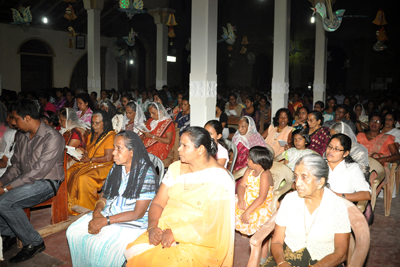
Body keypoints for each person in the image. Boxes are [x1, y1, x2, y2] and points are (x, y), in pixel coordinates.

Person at [125, 127, 235, 267]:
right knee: (137, 254)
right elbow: (158, 202)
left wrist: (176, 233)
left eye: (184, 146)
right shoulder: (175, 168)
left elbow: (214, 225)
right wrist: (152, 226)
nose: (178, 149)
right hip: (164, 227)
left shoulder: (220, 179)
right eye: (180, 144)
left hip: (198, 239)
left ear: (200, 149)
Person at [66, 131, 159, 267]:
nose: (114, 153)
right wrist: (97, 212)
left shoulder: (146, 173)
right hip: (108, 214)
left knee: (101, 247)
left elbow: (137, 213)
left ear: (132, 151)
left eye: (118, 148)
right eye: (114, 147)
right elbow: (105, 195)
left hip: (130, 223)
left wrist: (105, 221)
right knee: (73, 232)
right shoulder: (117, 167)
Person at [0, 100, 65, 263]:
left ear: (27, 118)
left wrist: (7, 189)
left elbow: (38, 172)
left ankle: (34, 243)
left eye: (16, 119)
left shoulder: (53, 137)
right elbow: (14, 165)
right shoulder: (21, 136)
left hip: (46, 181)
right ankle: (8, 233)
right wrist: (1, 183)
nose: (13, 123)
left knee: (5, 202)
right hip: (26, 178)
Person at [263, 154, 351, 267]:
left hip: (324, 262)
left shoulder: (337, 205)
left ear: (320, 182)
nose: (297, 182)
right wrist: (281, 263)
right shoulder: (289, 200)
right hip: (288, 257)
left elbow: (341, 253)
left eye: (304, 177)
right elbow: (277, 242)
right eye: (296, 176)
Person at [67, 110, 116, 213]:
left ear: (105, 123)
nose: (94, 126)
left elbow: (108, 158)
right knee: (69, 172)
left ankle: (88, 207)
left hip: (105, 165)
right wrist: (82, 154)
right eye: (92, 123)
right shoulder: (92, 135)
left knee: (84, 178)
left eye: (97, 123)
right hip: (91, 163)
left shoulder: (110, 136)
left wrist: (89, 159)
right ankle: (72, 204)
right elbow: (89, 152)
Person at [357, 112, 400, 194]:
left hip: (379, 166)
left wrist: (379, 160)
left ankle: (366, 200)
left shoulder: (387, 138)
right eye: (372, 120)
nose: (374, 123)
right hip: (361, 164)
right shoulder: (360, 136)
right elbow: (354, 152)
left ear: (381, 125)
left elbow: (397, 156)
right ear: (369, 123)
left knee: (370, 177)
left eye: (377, 121)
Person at [236, 146, 274, 237]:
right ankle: (243, 229)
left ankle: (255, 235)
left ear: (258, 163)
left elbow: (262, 197)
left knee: (255, 214)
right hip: (248, 196)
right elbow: (241, 185)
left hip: (261, 201)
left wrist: (248, 211)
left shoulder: (264, 174)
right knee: (232, 205)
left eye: (250, 159)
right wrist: (241, 199)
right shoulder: (249, 170)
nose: (247, 160)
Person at [326, 134, 371, 202]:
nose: (331, 150)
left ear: (345, 153)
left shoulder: (352, 168)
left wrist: (338, 195)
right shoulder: (319, 164)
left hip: (341, 207)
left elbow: (366, 194)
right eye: (330, 146)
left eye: (337, 149)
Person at [0, 107, 17, 177]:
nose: (7, 119)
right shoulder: (9, 134)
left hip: (9, 174)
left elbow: (4, 163)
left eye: (11, 117)